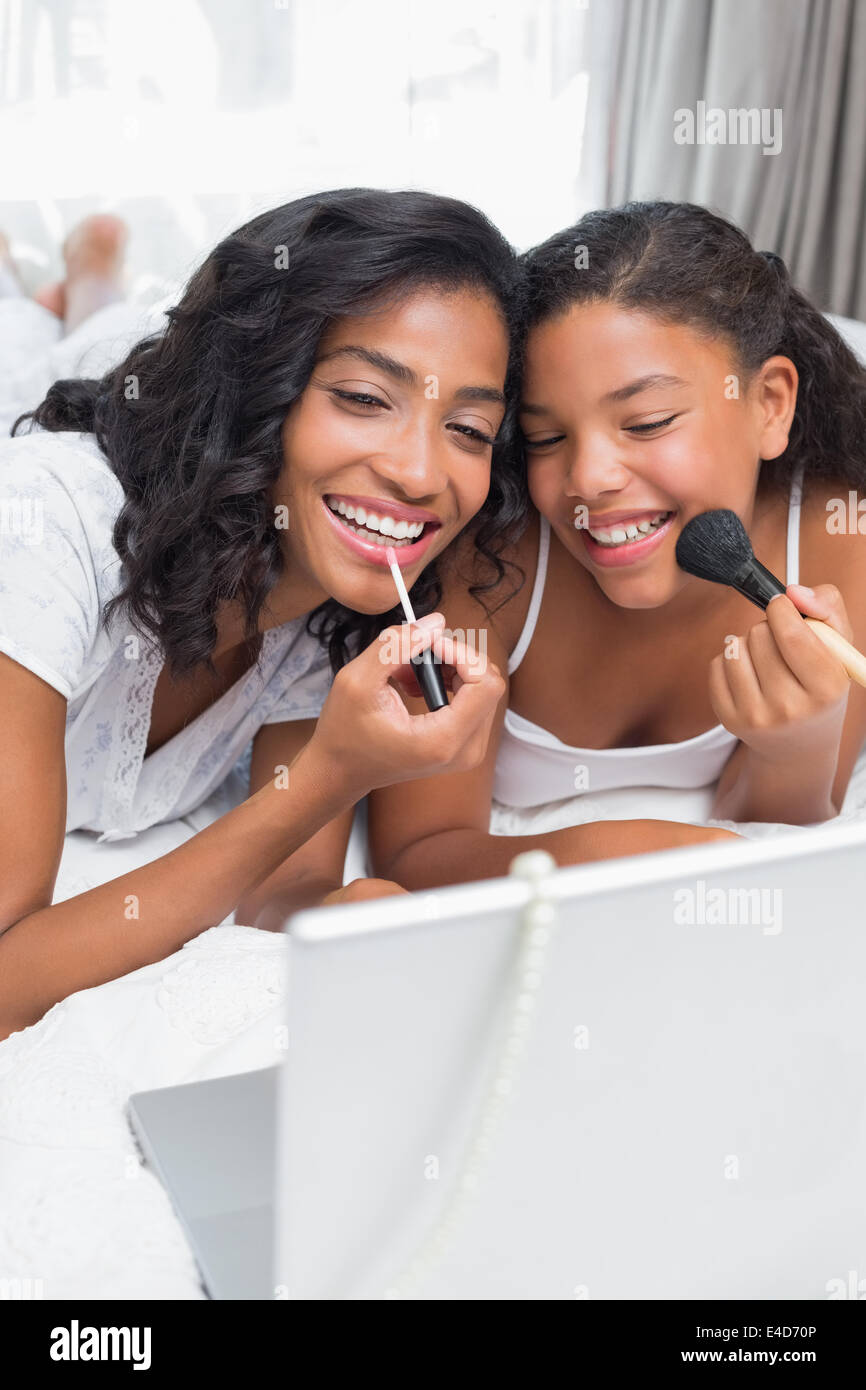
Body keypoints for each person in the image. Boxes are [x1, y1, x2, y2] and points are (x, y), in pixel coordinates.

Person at [0, 187, 519, 1038]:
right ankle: (81, 272)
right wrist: (330, 775)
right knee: (36, 346)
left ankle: (95, 285)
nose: (423, 475)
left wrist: (362, 913)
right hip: (79, 432)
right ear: (258, 387)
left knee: (109, 331)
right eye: (362, 398)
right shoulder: (45, 529)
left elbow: (286, 891)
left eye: (468, 428)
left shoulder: (331, 597)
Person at [366, 201, 866, 890]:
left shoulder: (842, 534)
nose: (590, 480)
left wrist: (800, 744)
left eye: (647, 422)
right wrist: (606, 854)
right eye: (546, 438)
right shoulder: (492, 558)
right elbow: (415, 852)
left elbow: (768, 835)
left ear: (770, 404)